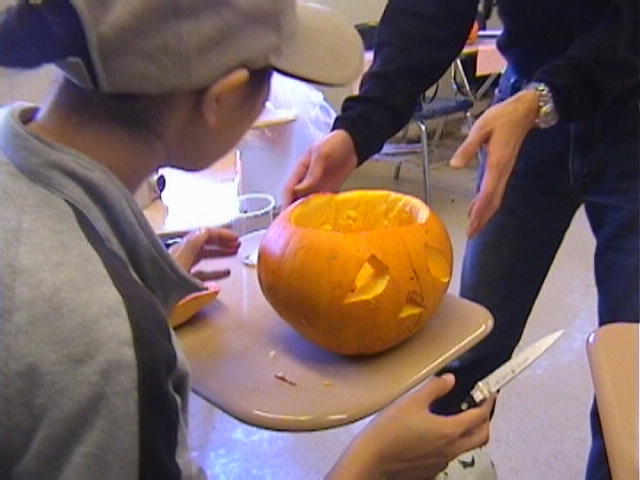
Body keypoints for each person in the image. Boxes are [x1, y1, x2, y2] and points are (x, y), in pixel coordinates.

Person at [0, 0, 495, 478]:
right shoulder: (107, 353)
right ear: (222, 99)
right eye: (271, 79)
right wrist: (372, 462)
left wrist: (138, 273)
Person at [283, 0, 639, 478]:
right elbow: (429, 11)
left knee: (630, 374)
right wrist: (357, 129)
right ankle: (439, 460)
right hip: (522, 105)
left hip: (626, 104)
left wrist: (545, 97)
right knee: (473, 341)